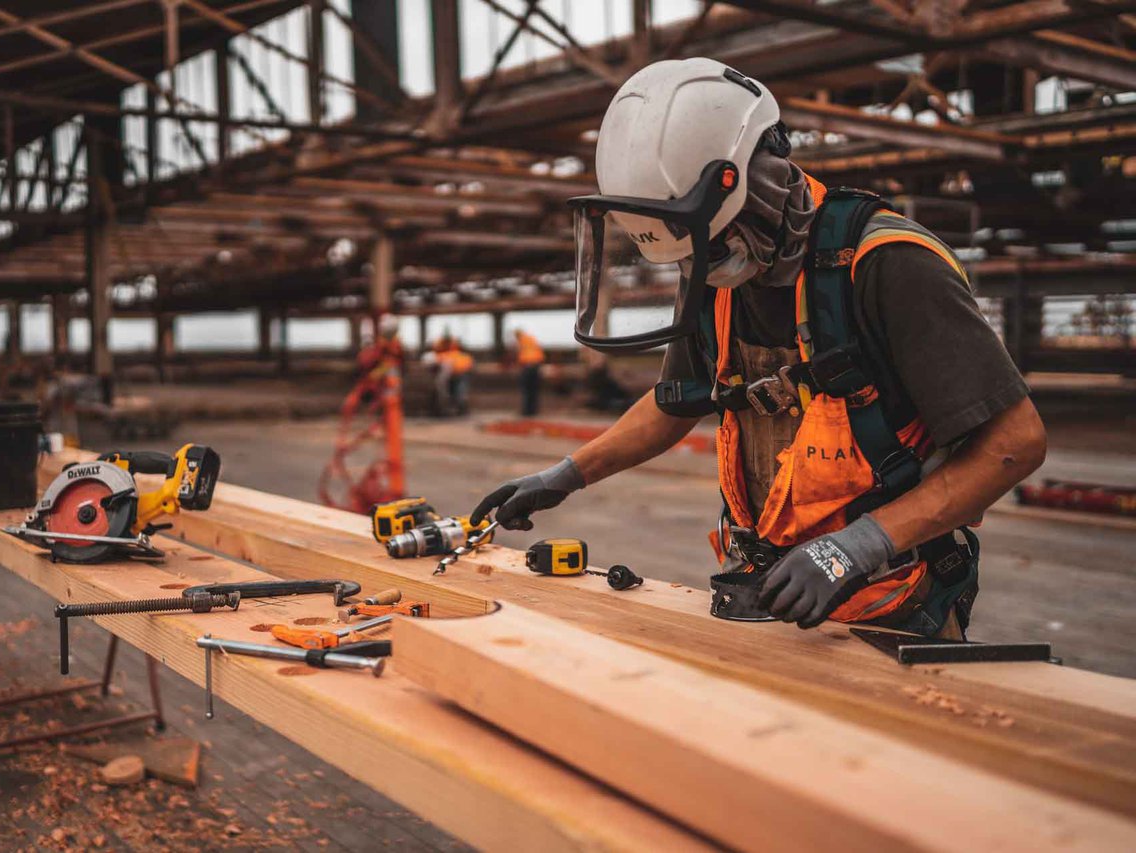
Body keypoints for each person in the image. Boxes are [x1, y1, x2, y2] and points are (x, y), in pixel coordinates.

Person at [471, 58, 1045, 639]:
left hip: (891, 602)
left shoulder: (887, 264)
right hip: (762, 591)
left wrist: (860, 545)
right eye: (693, 254)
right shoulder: (712, 273)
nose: (704, 266)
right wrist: (566, 475)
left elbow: (1015, 443)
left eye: (714, 245)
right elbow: (678, 401)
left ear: (758, 183)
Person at [513, 329, 545, 416]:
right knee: (533, 390)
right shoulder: (531, 339)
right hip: (536, 365)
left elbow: (519, 352)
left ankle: (527, 411)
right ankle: (532, 410)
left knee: (527, 390)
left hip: (527, 366)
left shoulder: (522, 341)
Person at [446, 338, 475, 416]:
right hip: (451, 377)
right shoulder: (448, 355)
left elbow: (469, 366)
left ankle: (461, 408)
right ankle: (457, 408)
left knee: (461, 392)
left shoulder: (464, 356)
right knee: (455, 393)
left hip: (461, 376)